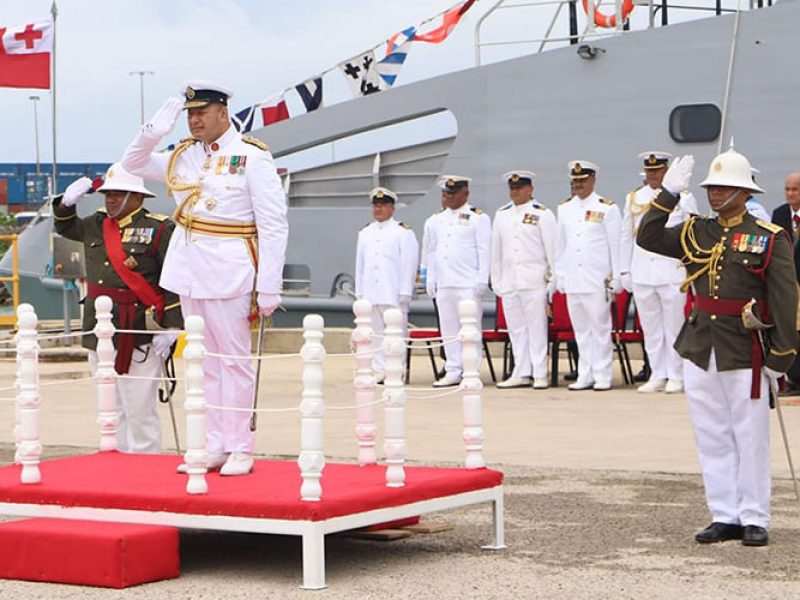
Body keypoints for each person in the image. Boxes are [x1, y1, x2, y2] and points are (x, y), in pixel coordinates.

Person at [121, 81, 289, 476]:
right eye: (190, 115)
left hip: (230, 267)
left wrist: (269, 284)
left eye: (201, 113)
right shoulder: (183, 156)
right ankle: (215, 443)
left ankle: (241, 446)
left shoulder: (251, 157)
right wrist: (153, 132)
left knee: (234, 360)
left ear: (222, 113)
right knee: (205, 361)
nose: (194, 121)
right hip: (189, 268)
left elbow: (273, 224)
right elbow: (131, 164)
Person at [638, 149, 798, 547]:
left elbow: (784, 299)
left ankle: (755, 516)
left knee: (750, 435)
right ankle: (724, 513)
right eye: (712, 186)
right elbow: (649, 236)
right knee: (711, 433)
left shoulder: (768, 237)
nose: (715, 193)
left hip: (747, 346)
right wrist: (669, 193)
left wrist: (781, 356)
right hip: (701, 344)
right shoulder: (698, 231)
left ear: (744, 192)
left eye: (725, 187)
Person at [53, 163, 182, 453]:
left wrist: (171, 327)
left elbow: (175, 278)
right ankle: (117, 464)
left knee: (140, 409)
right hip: (99, 330)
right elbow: (65, 225)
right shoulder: (95, 224)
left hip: (138, 328)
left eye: (118, 194)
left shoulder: (159, 228)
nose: (110, 200)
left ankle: (147, 464)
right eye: (107, 194)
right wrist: (66, 204)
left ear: (137, 198)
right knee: (110, 407)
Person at [620, 151, 698, 394]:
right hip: (643, 271)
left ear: (666, 171)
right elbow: (625, 236)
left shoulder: (683, 197)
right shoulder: (634, 197)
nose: (653, 175)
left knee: (674, 326)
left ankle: (676, 375)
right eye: (650, 171)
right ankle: (657, 373)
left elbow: (693, 234)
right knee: (651, 328)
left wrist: (691, 269)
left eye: (657, 171)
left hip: (671, 271)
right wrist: (624, 269)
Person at [555, 161, 621, 391]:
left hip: (597, 278)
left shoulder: (607, 208)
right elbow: (560, 245)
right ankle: (585, 373)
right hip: (574, 278)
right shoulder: (564, 208)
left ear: (593, 180)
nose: (578, 185)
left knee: (600, 329)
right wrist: (559, 275)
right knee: (581, 331)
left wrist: (616, 276)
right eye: (575, 181)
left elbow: (615, 245)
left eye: (583, 180)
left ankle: (602, 374)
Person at [490, 170, 555, 389]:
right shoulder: (502, 214)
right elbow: (496, 251)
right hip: (510, 281)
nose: (515, 192)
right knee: (516, 329)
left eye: (519, 188)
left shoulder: (543, 214)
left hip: (534, 280)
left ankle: (539, 373)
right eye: (512, 189)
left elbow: (551, 250)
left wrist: (552, 280)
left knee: (536, 328)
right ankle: (521, 370)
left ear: (530, 189)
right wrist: (497, 281)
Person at [425, 175, 491, 387]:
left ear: (465, 193)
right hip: (445, 283)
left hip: (468, 283)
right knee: (449, 328)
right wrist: (430, 278)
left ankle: (471, 370)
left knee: (470, 329)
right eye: (445, 194)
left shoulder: (477, 218)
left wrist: (482, 279)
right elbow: (431, 252)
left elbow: (484, 250)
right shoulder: (435, 220)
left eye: (452, 194)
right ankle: (453, 368)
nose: (448, 198)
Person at [355, 187, 419, 382]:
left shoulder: (402, 232)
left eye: (382, 205)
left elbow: (409, 263)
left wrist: (405, 291)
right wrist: (360, 293)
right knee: (374, 332)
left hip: (393, 291)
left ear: (392, 208)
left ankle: (396, 368)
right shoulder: (365, 232)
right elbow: (360, 264)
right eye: (376, 205)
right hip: (371, 291)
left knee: (395, 332)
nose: (378, 209)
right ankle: (378, 368)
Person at [770, 172, 800, 394]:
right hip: (788, 283)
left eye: (795, 189)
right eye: (787, 189)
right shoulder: (779, 215)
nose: (790, 194)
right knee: (790, 329)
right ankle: (793, 378)